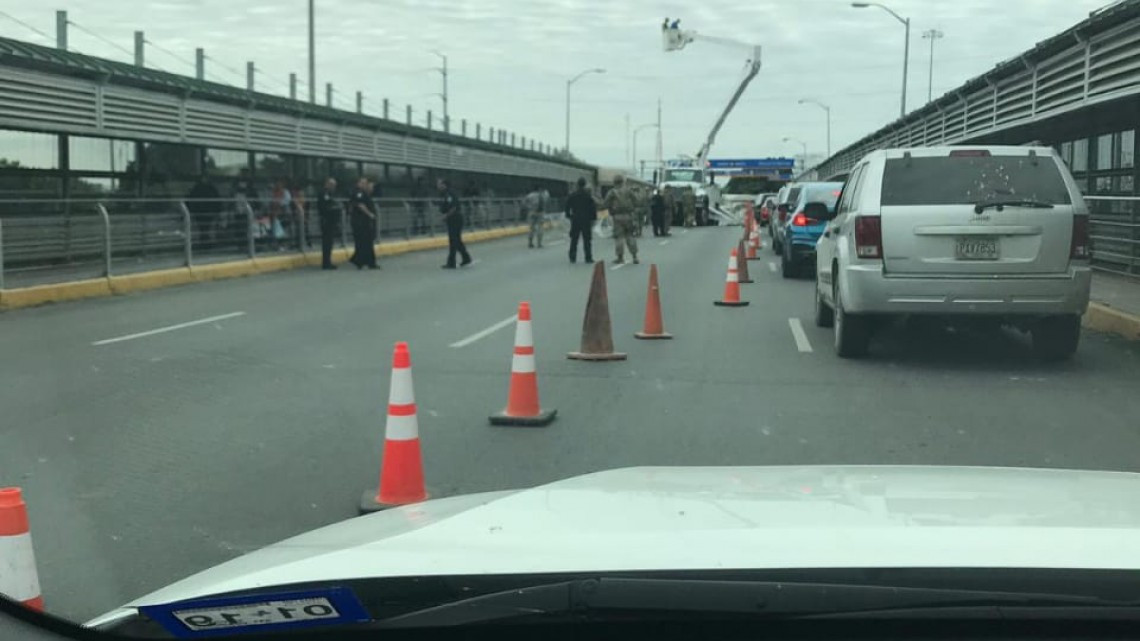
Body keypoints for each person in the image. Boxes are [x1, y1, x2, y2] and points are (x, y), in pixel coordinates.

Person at [602, 174, 639, 264]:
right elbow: (636, 201)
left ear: (614, 182)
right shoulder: (628, 190)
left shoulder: (612, 192)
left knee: (619, 237)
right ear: (622, 182)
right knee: (630, 236)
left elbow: (605, 204)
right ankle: (634, 256)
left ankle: (620, 257)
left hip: (617, 216)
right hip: (629, 216)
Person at [439, 177, 471, 269]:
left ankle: (451, 262)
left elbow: (454, 207)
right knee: (456, 240)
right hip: (453, 219)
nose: (438, 186)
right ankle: (466, 258)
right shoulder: (445, 194)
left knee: (453, 240)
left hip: (455, 219)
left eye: (440, 184)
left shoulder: (449, 194)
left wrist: (446, 216)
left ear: (444, 185)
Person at [565, 177, 597, 264]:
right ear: (585, 184)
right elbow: (593, 208)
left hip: (575, 219)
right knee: (587, 240)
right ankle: (588, 257)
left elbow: (567, 206)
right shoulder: (588, 196)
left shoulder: (572, 195)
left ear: (577, 184)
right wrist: (593, 219)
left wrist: (569, 216)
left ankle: (572, 257)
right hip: (586, 220)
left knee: (574, 239)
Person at [349, 177, 378, 269]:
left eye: (366, 183)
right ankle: (364, 261)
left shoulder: (363, 193)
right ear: (358, 183)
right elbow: (361, 205)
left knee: (365, 242)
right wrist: (370, 214)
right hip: (360, 222)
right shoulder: (359, 193)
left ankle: (363, 261)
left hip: (363, 222)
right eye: (363, 183)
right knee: (364, 242)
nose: (365, 185)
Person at [186, 177, 222, 246]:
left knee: (204, 228)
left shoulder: (197, 188)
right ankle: (205, 241)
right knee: (204, 227)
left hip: (204, 211)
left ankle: (204, 241)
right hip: (204, 211)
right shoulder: (210, 188)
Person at [317, 177, 340, 270]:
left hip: (330, 221)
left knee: (329, 242)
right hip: (326, 220)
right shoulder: (324, 193)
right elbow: (326, 206)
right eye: (332, 185)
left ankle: (328, 261)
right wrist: (335, 208)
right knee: (327, 242)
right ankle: (326, 263)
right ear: (327, 184)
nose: (333, 187)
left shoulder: (330, 194)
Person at [525, 184, 545, 248]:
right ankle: (539, 244)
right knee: (540, 227)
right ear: (539, 189)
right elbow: (544, 203)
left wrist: (530, 207)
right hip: (540, 213)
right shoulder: (541, 195)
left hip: (531, 212)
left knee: (531, 228)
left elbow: (524, 203)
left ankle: (530, 243)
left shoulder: (529, 195)